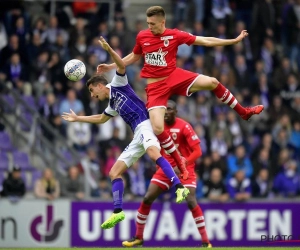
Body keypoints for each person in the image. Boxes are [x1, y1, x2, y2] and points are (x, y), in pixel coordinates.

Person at [97, 5, 264, 177]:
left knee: (213, 82)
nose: (150, 27)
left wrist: (232, 41)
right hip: (156, 86)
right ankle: (181, 164)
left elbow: (204, 40)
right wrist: (112, 65)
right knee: (158, 127)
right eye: (148, 23)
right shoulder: (142, 36)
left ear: (163, 22)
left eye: (153, 24)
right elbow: (134, 55)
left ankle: (243, 112)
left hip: (175, 76)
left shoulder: (174, 35)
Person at [61, 37, 189, 230]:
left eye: (91, 90)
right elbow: (102, 118)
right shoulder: (112, 103)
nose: (92, 95)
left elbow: (121, 64)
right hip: (136, 134)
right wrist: (79, 119)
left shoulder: (118, 84)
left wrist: (110, 49)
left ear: (99, 85)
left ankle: (180, 188)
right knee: (114, 172)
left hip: (146, 124)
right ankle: (117, 212)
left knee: (155, 154)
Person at [122, 100, 212, 248]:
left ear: (175, 111)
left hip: (185, 169)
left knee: (190, 200)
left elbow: (198, 151)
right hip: (165, 169)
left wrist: (184, 163)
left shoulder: (185, 126)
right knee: (147, 198)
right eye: (164, 109)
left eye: (169, 109)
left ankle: (205, 241)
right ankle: (138, 237)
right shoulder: (157, 126)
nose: (166, 112)